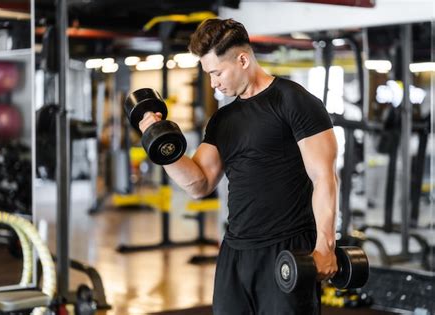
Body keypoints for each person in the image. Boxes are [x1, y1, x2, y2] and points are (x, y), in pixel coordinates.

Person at [139, 18, 339, 315]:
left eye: (217, 72)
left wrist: (325, 246)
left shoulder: (293, 101)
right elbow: (200, 183)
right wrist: (161, 146)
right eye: (208, 74)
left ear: (243, 59)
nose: (213, 83)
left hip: (287, 247)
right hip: (236, 251)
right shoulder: (223, 120)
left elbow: (324, 177)